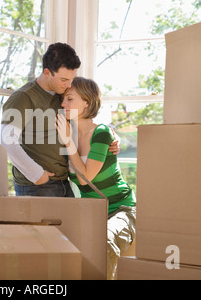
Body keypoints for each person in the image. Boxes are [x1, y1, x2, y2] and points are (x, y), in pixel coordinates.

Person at [0, 43, 120, 197]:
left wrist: (111, 134)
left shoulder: (62, 95)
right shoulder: (24, 97)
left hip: (64, 183)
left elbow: (85, 115)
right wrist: (37, 175)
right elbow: (6, 141)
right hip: (37, 186)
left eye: (71, 79)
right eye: (64, 79)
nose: (69, 84)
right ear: (47, 72)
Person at [55, 76, 136, 280]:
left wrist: (68, 144)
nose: (63, 104)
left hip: (122, 209)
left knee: (104, 242)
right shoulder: (68, 132)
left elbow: (85, 179)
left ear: (87, 103)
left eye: (70, 99)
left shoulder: (101, 132)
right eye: (63, 99)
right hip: (94, 213)